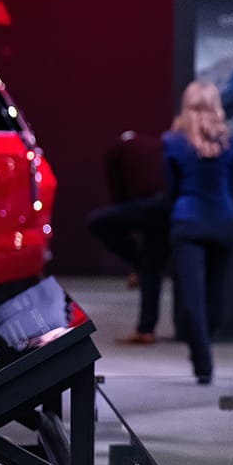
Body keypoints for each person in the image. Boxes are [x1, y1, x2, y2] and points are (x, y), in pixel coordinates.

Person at [162, 80, 233, 384]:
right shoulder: (231, 143)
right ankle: (205, 348)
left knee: (191, 298)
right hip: (223, 220)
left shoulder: (172, 141)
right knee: (214, 297)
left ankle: (203, 364)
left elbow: (171, 187)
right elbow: (231, 183)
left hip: (187, 221)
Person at [86, 129, 170, 344]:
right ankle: (146, 329)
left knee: (97, 222)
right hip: (168, 208)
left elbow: (118, 193)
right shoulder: (156, 145)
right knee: (151, 269)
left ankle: (137, 264)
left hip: (146, 206)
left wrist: (128, 222)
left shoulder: (115, 151)